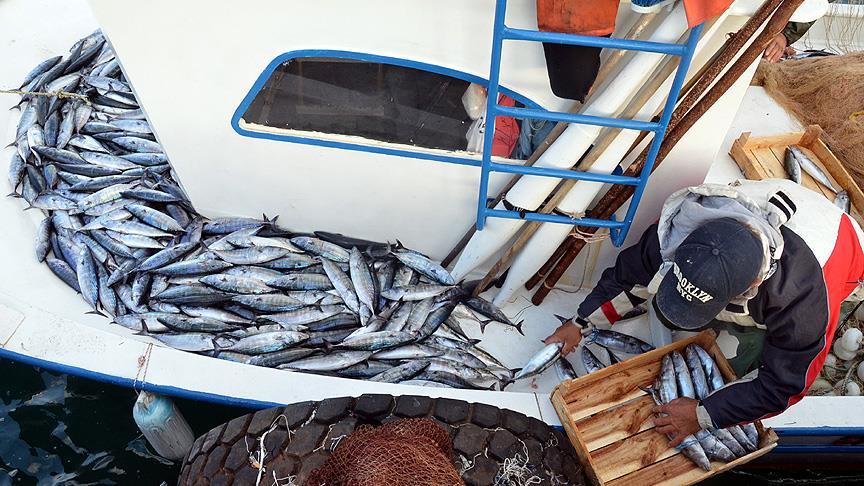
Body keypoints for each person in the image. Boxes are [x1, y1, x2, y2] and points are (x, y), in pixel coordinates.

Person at [545, 179, 864, 446]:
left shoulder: (803, 302)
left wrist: (704, 414)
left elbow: (783, 385)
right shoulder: (682, 231)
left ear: (751, 285)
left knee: (745, 360)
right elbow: (631, 280)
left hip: (838, 249)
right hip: (772, 205)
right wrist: (582, 322)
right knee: (663, 305)